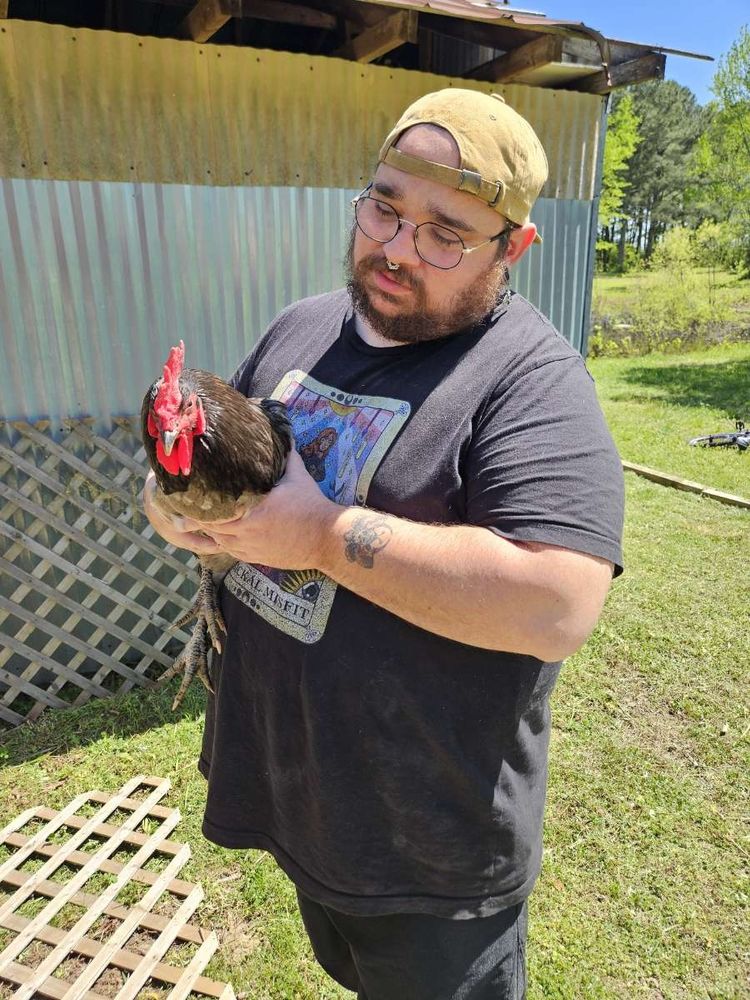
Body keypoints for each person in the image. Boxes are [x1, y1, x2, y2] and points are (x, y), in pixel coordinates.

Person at [144, 88, 625, 999]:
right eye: (385, 207)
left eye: (445, 233)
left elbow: (559, 604)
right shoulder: (302, 325)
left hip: (431, 854)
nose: (397, 248)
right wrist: (179, 510)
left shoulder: (529, 378)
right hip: (303, 797)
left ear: (512, 247)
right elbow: (222, 474)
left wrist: (324, 536)